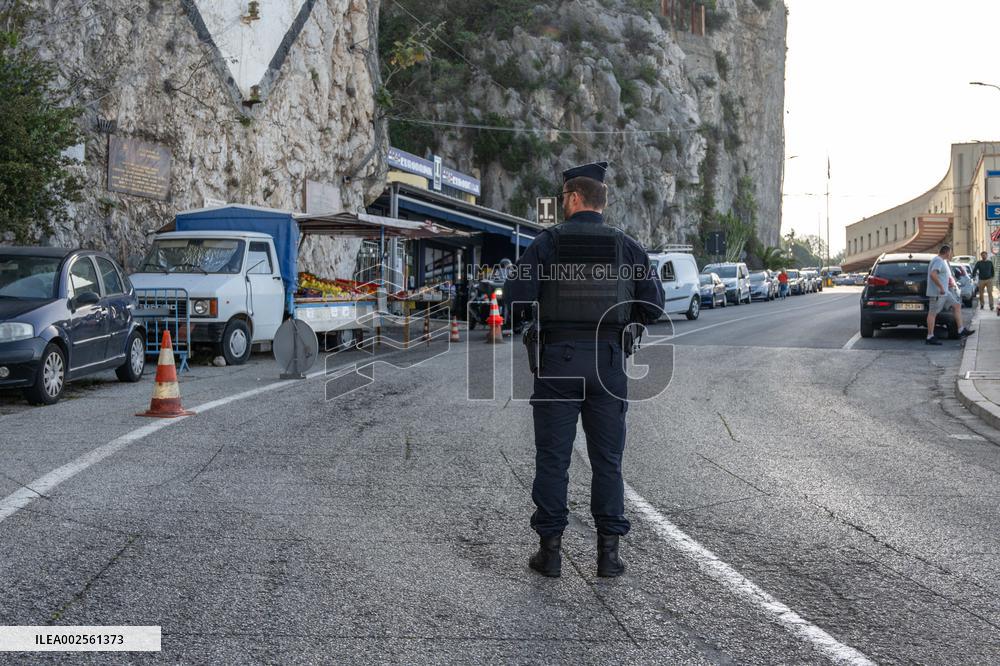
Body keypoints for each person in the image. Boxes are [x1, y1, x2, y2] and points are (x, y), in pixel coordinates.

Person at [505, 161, 665, 579]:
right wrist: (623, 323)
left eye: (563, 197)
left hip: (558, 360)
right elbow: (654, 305)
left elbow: (516, 298)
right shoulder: (627, 246)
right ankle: (608, 557)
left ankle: (550, 555)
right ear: (602, 202)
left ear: (574, 197)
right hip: (609, 362)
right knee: (607, 461)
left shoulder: (547, 242)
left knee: (553, 459)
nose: (562, 203)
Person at [926, 244, 973, 345]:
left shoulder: (940, 260)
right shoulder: (938, 260)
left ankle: (961, 330)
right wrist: (941, 287)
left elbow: (939, 275)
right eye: (950, 252)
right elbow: (933, 274)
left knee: (957, 305)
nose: (951, 254)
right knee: (932, 313)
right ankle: (930, 337)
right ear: (947, 252)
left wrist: (945, 286)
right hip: (938, 292)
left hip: (945, 292)